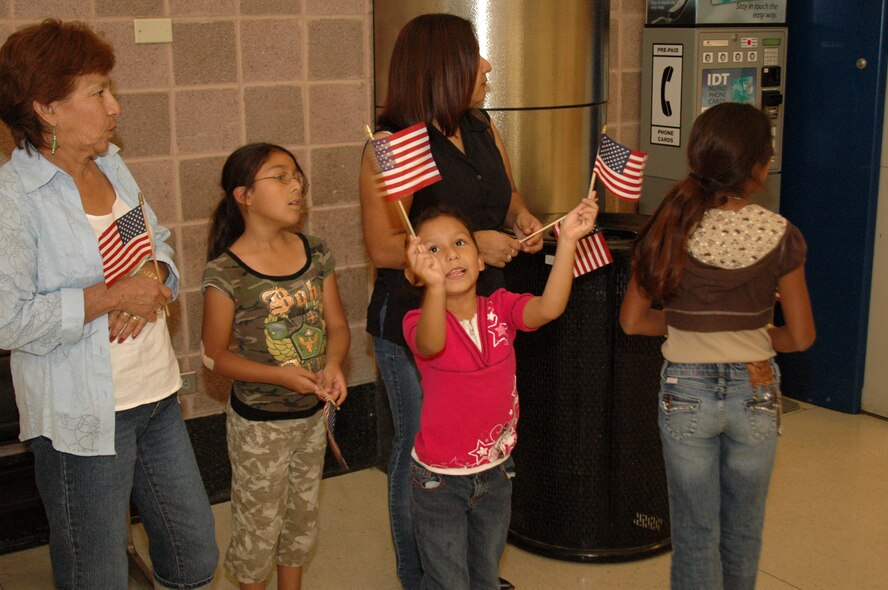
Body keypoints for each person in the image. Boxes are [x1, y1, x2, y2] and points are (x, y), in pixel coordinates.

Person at [0, 19, 218, 590]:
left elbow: (159, 242)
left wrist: (153, 274)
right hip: (84, 417)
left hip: (156, 396)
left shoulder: (111, 164)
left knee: (194, 556)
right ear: (46, 108)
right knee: (95, 575)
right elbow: (9, 319)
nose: (115, 106)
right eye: (97, 92)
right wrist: (110, 297)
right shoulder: (14, 200)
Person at [358, 13, 544, 588]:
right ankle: (423, 578)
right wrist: (469, 248)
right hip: (416, 324)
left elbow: (507, 195)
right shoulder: (393, 147)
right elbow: (386, 245)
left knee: (481, 449)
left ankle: (473, 573)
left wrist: (522, 218)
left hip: (486, 313)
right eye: (475, 57)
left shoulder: (483, 127)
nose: (486, 67)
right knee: (422, 457)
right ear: (443, 69)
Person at [619, 102, 816, 590]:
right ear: (760, 166)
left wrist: (689, 325)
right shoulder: (780, 234)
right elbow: (801, 336)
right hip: (756, 389)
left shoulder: (670, 226)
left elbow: (632, 322)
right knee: (744, 530)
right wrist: (753, 333)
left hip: (685, 391)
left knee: (693, 533)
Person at [402, 196, 597, 589]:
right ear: (416, 273)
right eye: (433, 250)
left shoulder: (500, 307)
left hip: (497, 471)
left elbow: (549, 308)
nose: (450, 256)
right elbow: (431, 343)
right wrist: (436, 288)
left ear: (479, 260)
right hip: (439, 482)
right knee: (447, 581)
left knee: (485, 576)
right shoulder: (418, 321)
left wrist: (570, 241)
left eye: (460, 244)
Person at [202, 143, 350, 590]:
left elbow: (338, 326)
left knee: (300, 523)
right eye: (281, 177)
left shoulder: (315, 251)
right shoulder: (226, 273)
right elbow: (214, 355)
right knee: (258, 530)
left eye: (297, 176)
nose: (297, 185)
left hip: (310, 420)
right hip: (260, 428)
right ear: (244, 195)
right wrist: (279, 375)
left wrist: (335, 365)